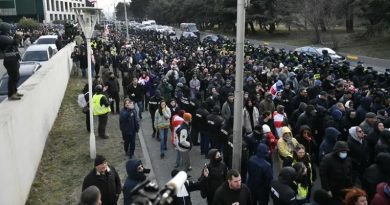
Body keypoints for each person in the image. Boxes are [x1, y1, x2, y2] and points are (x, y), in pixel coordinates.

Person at [1, 26, 22, 100]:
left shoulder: (7, 36)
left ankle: (14, 91)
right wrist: (17, 37)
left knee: (17, 76)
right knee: (13, 77)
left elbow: (16, 44)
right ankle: (11, 94)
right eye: (9, 29)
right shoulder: (2, 37)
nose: (11, 30)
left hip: (13, 59)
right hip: (9, 60)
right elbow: (14, 42)